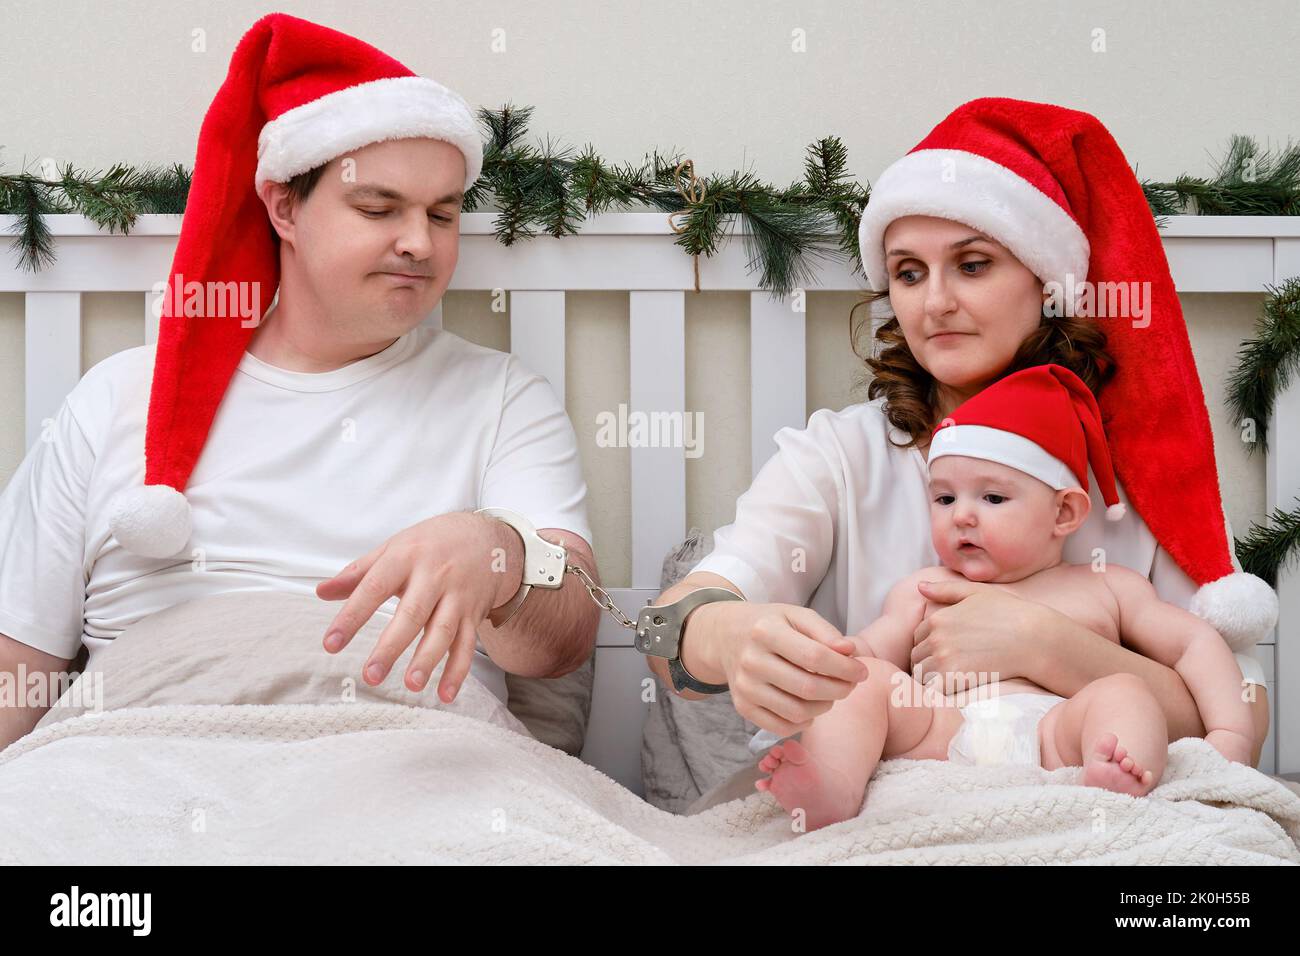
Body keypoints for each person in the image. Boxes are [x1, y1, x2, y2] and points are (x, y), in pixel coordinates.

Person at [0, 13, 600, 751]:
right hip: (147, 749)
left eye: (442, 216)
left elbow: (565, 640)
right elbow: (15, 669)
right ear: (284, 205)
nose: (418, 243)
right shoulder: (115, 398)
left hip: (405, 760)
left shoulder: (503, 399)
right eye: (377, 208)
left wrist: (499, 554)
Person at [646, 97, 1276, 775]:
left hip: (1084, 789)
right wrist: (726, 634)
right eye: (909, 273)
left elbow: (1240, 704)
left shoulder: (1134, 472)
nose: (935, 302)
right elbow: (667, 633)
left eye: (972, 265)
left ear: (1046, 282)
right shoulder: (841, 455)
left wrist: (1047, 645)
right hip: (898, 794)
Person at [754, 364, 1258, 832]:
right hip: (942, 733)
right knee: (872, 686)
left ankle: (1116, 780)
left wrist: (1230, 735)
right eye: (945, 498)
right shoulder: (925, 587)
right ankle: (832, 788)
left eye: (992, 497)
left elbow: (1196, 645)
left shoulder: (1107, 585)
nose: (962, 516)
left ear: (1064, 514)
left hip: (1057, 739)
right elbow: (869, 652)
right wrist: (834, 658)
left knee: (1124, 691)